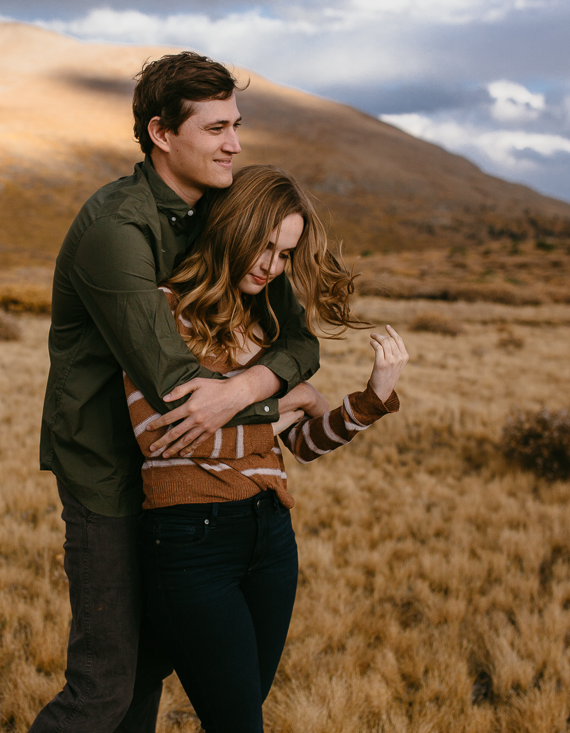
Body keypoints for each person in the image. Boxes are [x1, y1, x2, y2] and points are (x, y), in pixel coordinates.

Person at [33, 53, 321, 732]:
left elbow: (299, 342)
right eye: (217, 128)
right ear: (162, 134)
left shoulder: (222, 214)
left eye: (237, 125)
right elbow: (179, 389)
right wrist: (288, 401)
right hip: (109, 472)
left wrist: (252, 381)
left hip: (185, 483)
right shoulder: (117, 228)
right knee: (105, 684)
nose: (235, 144)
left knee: (148, 670)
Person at [124, 165, 409, 732]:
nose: (269, 265)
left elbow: (301, 445)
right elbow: (159, 436)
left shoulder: (269, 320)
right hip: (191, 541)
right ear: (231, 226)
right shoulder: (163, 308)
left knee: (242, 712)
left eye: (283, 254)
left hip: (271, 540)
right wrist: (291, 398)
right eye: (263, 245)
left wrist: (371, 399)